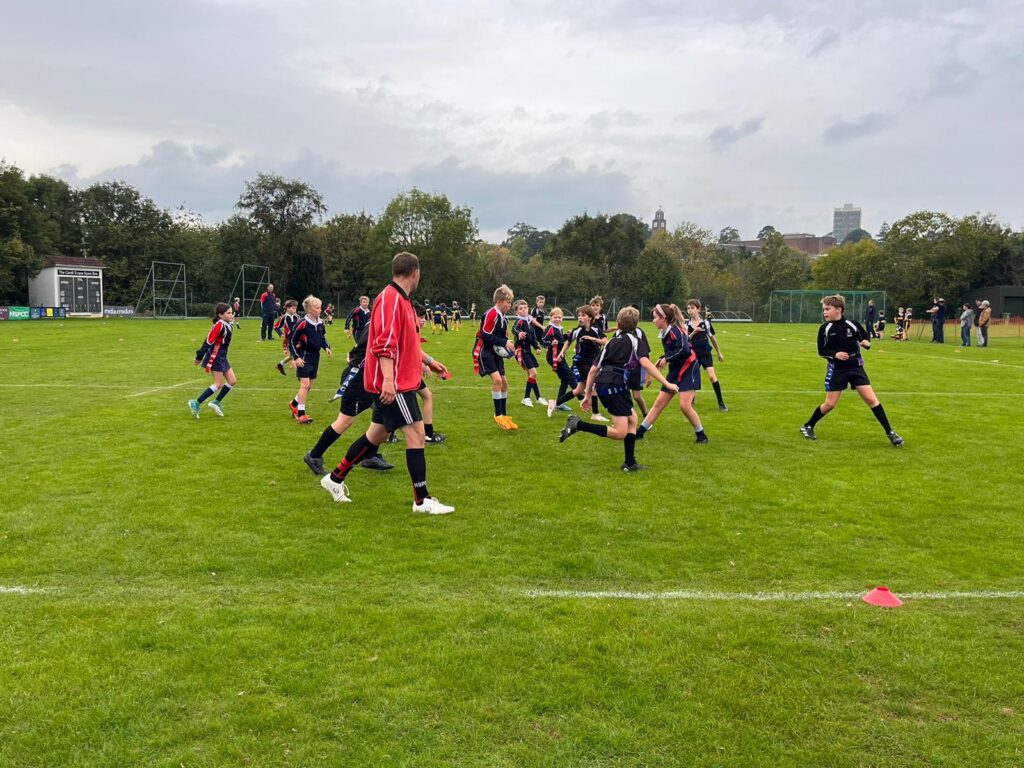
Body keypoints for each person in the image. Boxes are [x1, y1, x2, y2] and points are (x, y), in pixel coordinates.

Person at [319, 251, 454, 514]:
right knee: (416, 434)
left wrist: (428, 361)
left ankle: (334, 478)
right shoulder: (391, 299)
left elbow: (407, 342)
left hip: (396, 381)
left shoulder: (402, 300)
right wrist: (389, 381)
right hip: (394, 385)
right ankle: (422, 500)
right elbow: (384, 343)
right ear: (415, 272)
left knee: (375, 436)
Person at [558, 306, 678, 472]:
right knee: (620, 432)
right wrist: (667, 383)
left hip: (606, 385)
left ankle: (630, 463)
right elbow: (646, 363)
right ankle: (579, 425)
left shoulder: (611, 341)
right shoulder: (635, 340)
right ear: (635, 325)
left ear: (619, 323)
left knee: (633, 419)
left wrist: (587, 395)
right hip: (615, 386)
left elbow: (594, 370)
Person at [800, 294, 903, 447]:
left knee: (871, 399)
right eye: (824, 309)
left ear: (838, 309)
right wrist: (835, 354)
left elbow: (864, 337)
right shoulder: (825, 329)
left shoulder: (852, 324)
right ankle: (808, 426)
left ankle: (891, 433)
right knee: (830, 404)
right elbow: (822, 351)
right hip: (837, 370)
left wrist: (866, 343)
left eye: (827, 309)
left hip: (856, 368)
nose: (824, 312)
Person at [303, 321, 395, 476]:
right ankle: (314, 456)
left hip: (372, 376)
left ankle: (370, 455)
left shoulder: (380, 320)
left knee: (383, 417)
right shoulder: (382, 322)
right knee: (345, 421)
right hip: (358, 378)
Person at [636, 303, 707, 443]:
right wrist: (664, 357)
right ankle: (640, 432)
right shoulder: (667, 332)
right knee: (659, 403)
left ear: (664, 318)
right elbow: (675, 350)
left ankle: (701, 435)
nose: (653, 320)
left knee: (685, 405)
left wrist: (667, 358)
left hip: (688, 368)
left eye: (655, 317)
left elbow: (685, 350)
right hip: (676, 369)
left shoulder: (674, 331)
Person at [547, 305, 607, 421]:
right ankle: (595, 414)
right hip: (580, 362)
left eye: (583, 315)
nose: (580, 318)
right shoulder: (577, 331)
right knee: (593, 385)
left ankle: (554, 402)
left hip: (593, 362)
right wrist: (561, 353)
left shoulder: (596, 330)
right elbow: (568, 342)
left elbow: (605, 341)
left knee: (579, 390)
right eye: (579, 315)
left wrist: (593, 339)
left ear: (590, 317)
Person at [473, 285, 518, 430]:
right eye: (508, 302)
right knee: (498, 380)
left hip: (495, 351)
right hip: (485, 351)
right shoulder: (491, 314)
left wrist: (509, 350)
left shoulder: (504, 318)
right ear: (499, 301)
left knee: (504, 383)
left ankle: (504, 414)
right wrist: (504, 343)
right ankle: (498, 415)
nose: (509, 306)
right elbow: (485, 334)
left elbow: (503, 336)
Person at [288, 295, 333, 424]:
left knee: (310, 385)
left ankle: (293, 404)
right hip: (303, 356)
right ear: (309, 310)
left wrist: (326, 347)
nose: (320, 310)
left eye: (320, 307)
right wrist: (296, 357)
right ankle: (301, 414)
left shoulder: (320, 322)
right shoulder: (302, 323)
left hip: (315, 357)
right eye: (317, 308)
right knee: (305, 384)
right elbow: (291, 341)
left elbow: (322, 337)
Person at [188, 303, 237, 418]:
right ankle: (196, 402)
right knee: (218, 383)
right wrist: (199, 357)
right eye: (228, 313)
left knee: (232, 381)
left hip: (222, 355)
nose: (231, 315)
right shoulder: (219, 325)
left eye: (231, 312)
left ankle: (215, 402)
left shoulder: (226, 323)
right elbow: (208, 341)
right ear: (220, 315)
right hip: (215, 356)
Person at [684, 298, 728, 412]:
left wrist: (719, 352)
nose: (690, 311)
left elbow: (713, 338)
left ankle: (721, 402)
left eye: (692, 308)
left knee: (712, 377)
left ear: (698, 309)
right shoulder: (686, 324)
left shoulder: (706, 323)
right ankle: (691, 401)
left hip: (705, 353)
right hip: (693, 354)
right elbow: (686, 340)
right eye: (688, 308)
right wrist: (694, 332)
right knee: (692, 378)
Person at [512, 299, 547, 407]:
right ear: (516, 312)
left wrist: (536, 346)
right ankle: (526, 398)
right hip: (521, 351)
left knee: (531, 375)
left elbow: (531, 337)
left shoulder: (528, 320)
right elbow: (514, 328)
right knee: (534, 373)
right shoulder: (519, 321)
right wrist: (519, 333)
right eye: (520, 309)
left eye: (525, 308)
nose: (523, 310)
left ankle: (538, 397)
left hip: (528, 351)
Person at [541, 307, 575, 416]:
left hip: (560, 355)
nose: (557, 319)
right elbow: (542, 341)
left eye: (559, 317)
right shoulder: (550, 328)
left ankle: (560, 403)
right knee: (571, 377)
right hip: (554, 356)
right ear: (550, 318)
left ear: (562, 318)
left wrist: (566, 336)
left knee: (565, 380)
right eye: (555, 317)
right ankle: (583, 398)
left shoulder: (558, 328)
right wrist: (550, 343)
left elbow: (560, 341)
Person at [274, 299, 300, 375]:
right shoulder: (284, 317)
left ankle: (280, 365)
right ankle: (299, 374)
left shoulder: (297, 317)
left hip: (297, 339)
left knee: (293, 355)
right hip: (289, 340)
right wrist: (281, 334)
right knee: (296, 355)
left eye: (295, 308)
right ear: (288, 308)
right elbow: (276, 327)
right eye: (293, 308)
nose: (295, 310)